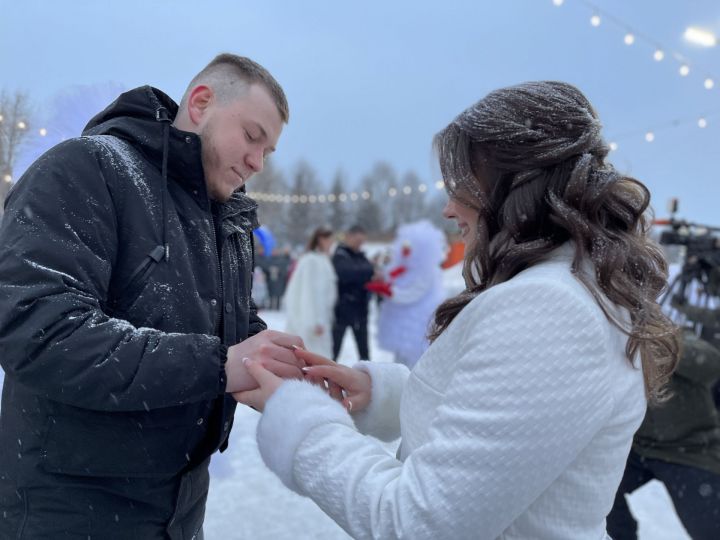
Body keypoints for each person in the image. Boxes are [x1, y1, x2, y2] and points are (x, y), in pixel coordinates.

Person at [234, 81, 680, 539]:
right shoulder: (574, 289)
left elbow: (419, 523)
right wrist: (383, 396)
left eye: (463, 185)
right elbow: (520, 432)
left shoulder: (550, 308)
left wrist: (302, 420)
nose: (448, 208)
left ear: (517, 187)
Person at [0, 53, 305, 539]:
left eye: (268, 152)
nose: (257, 162)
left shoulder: (226, 217)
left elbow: (233, 330)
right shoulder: (86, 170)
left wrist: (292, 369)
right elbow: (39, 330)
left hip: (179, 509)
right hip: (72, 509)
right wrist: (220, 366)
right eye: (251, 136)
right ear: (202, 103)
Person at [607, 271, 720, 539]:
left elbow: (712, 364)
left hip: (690, 449)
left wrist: (655, 340)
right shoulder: (611, 339)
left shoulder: (670, 335)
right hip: (637, 449)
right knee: (598, 496)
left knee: (710, 530)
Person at [367, 220, 447, 368]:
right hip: (402, 322)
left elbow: (413, 293)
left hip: (417, 323)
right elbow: (396, 279)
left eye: (410, 248)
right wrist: (385, 280)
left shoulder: (427, 271)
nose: (405, 251)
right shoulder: (404, 267)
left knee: (414, 359)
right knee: (401, 358)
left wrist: (389, 291)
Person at [284, 226, 338, 358]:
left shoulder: (321, 260)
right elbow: (311, 293)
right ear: (321, 239)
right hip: (311, 322)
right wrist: (316, 321)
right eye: (329, 239)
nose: (332, 243)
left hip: (319, 319)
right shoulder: (312, 261)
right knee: (312, 359)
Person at [331, 224, 376, 360]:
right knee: (333, 353)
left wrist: (366, 271)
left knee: (365, 354)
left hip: (360, 311)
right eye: (357, 241)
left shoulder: (361, 256)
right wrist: (369, 272)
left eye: (361, 242)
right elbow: (347, 273)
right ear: (348, 237)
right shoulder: (340, 255)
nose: (359, 244)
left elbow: (363, 270)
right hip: (341, 311)